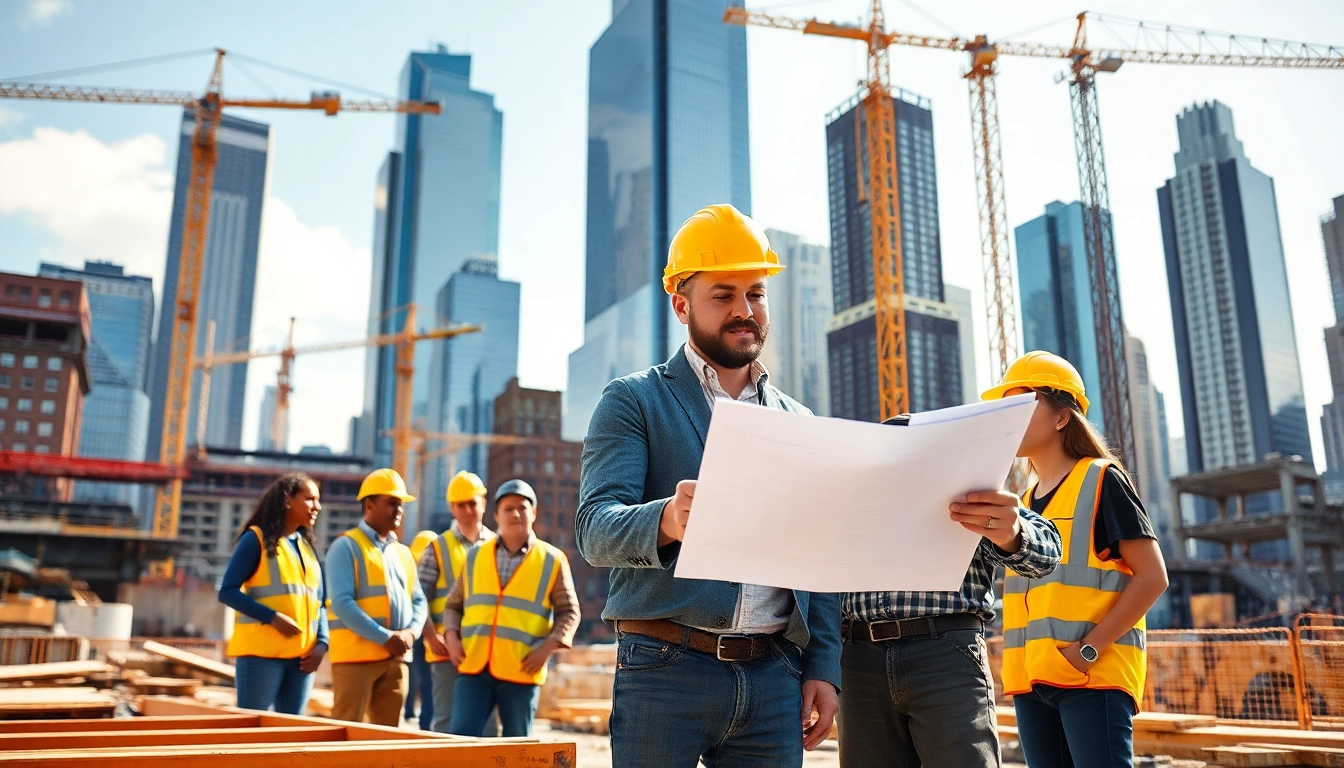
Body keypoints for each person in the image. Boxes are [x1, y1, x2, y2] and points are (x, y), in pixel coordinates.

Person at [577, 204, 842, 768]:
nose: (744, 311)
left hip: (775, 679)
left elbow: (820, 559)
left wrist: (824, 667)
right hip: (665, 669)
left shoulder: (800, 422)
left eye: (756, 293)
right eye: (723, 295)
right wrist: (668, 518)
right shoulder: (633, 400)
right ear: (681, 304)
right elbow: (594, 530)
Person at [838, 412, 1063, 768]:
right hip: (857, 662)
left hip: (944, 655)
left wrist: (1012, 532)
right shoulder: (850, 507)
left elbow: (1047, 553)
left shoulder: (966, 496)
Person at [981, 351, 1168, 767]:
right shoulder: (1023, 504)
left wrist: (1088, 650)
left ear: (1062, 417)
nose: (1009, 418)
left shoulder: (1101, 479)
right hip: (1033, 680)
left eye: (1023, 405)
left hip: (1091, 674)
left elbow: (1153, 577)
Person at [442, 479, 580, 737]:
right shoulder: (475, 556)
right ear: (495, 515)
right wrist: (451, 637)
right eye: (508, 508)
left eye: (522, 507)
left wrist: (546, 650)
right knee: (460, 742)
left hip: (522, 669)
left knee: (517, 749)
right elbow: (453, 605)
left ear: (534, 513)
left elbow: (570, 612)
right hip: (474, 667)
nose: (515, 513)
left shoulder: (552, 560)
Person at [325, 468, 428, 726]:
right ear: (369, 504)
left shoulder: (402, 553)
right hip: (355, 661)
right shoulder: (346, 546)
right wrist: (386, 637)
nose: (399, 510)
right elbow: (342, 603)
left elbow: (419, 600)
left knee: (387, 743)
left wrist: (411, 634)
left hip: (396, 661)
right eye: (392, 503)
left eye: (401, 504)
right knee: (344, 738)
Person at [218, 472, 327, 714]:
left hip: (302, 660)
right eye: (310, 499)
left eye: (318, 500)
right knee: (251, 731)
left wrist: (322, 642)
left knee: (290, 737)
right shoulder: (255, 539)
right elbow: (227, 592)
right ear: (288, 500)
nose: (317, 506)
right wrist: (272, 617)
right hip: (261, 657)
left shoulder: (307, 549)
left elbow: (320, 604)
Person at [418, 470, 499, 734]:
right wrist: (432, 638)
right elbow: (418, 598)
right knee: (446, 722)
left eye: (472, 503)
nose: (467, 510)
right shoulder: (437, 547)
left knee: (488, 726)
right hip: (446, 651)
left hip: (489, 651)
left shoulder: (500, 547)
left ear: (483, 504)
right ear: (452, 508)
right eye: (460, 504)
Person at [404, 528, 438, 729]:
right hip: (426, 630)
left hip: (412, 631)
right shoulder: (435, 561)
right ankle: (425, 722)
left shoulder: (409, 563)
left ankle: (410, 711)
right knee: (428, 681)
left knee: (414, 675)